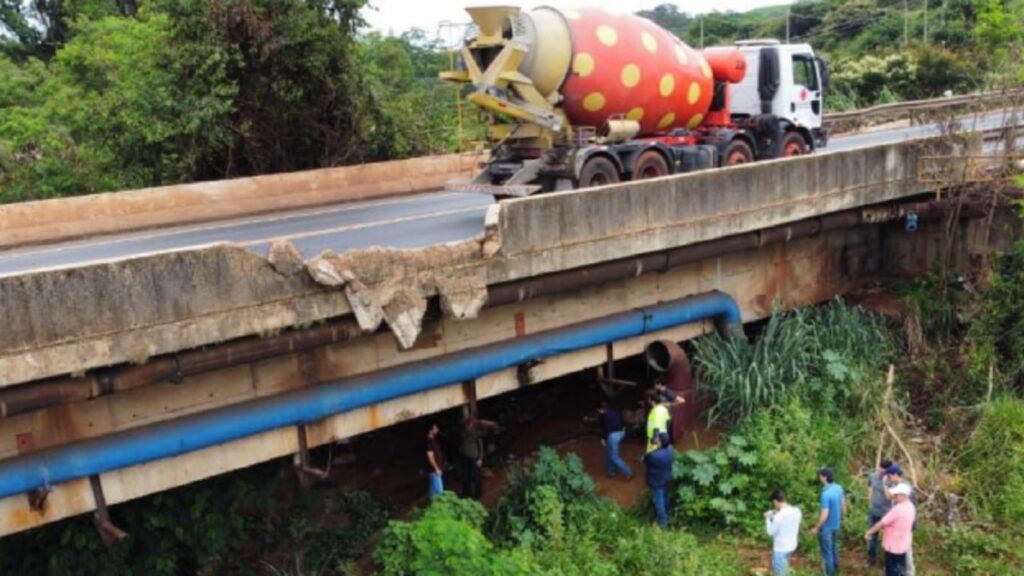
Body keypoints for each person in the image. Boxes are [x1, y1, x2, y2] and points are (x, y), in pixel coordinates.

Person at [865, 483, 916, 576]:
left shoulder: (897, 509)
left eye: (896, 495)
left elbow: (881, 523)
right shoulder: (911, 506)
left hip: (893, 545)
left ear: (903, 495)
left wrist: (870, 532)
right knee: (900, 568)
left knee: (891, 570)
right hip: (904, 544)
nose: (894, 496)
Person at [810, 467, 847, 576]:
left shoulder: (825, 494)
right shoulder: (839, 488)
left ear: (824, 477)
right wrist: (842, 518)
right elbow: (843, 506)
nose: (819, 478)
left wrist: (816, 528)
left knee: (827, 553)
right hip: (836, 525)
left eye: (820, 476)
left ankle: (829, 573)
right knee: (834, 547)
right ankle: (836, 568)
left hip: (827, 527)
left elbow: (824, 514)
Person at [883, 464, 917, 575]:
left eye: (889, 476)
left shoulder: (905, 488)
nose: (889, 479)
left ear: (895, 475)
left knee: (906, 551)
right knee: (900, 550)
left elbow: (909, 509)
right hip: (898, 524)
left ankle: (909, 573)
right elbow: (889, 497)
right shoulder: (897, 486)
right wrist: (885, 485)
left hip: (906, 524)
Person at [458, 415, 498, 499]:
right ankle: (467, 493)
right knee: (466, 476)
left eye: (467, 425)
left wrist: (480, 458)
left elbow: (480, 445)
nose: (466, 427)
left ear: (470, 425)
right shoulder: (464, 432)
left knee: (475, 477)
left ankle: (477, 494)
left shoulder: (474, 433)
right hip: (466, 457)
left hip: (473, 457)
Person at [765, 489, 802, 575]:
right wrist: (775, 513)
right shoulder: (797, 511)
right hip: (792, 546)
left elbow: (770, 532)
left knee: (780, 572)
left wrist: (767, 518)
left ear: (775, 501)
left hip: (780, 548)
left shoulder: (779, 516)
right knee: (785, 568)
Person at [644, 432, 674, 528]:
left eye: (657, 439)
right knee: (665, 496)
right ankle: (668, 513)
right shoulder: (670, 449)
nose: (655, 440)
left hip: (656, 480)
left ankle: (662, 523)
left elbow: (646, 460)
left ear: (660, 442)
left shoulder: (653, 455)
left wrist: (653, 450)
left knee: (658, 501)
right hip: (666, 477)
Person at [867, 459, 894, 566]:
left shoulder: (892, 480)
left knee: (889, 537)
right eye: (880, 470)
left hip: (887, 513)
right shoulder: (872, 476)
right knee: (872, 535)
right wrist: (870, 502)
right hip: (874, 511)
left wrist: (884, 483)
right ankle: (871, 559)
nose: (880, 473)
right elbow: (870, 488)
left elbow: (889, 497)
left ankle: (888, 560)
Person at [597, 400, 633, 480]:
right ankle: (611, 471)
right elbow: (623, 421)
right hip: (621, 433)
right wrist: (623, 429)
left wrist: (603, 438)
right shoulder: (615, 411)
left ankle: (628, 472)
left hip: (613, 435)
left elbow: (604, 429)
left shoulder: (603, 416)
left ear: (600, 409)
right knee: (608, 451)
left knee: (614, 456)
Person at [426, 423, 445, 501]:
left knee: (432, 490)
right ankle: (441, 507)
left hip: (435, 469)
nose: (437, 430)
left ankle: (432, 504)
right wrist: (436, 469)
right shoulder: (428, 442)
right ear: (430, 430)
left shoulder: (433, 440)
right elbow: (430, 457)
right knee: (440, 491)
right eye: (435, 428)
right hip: (433, 470)